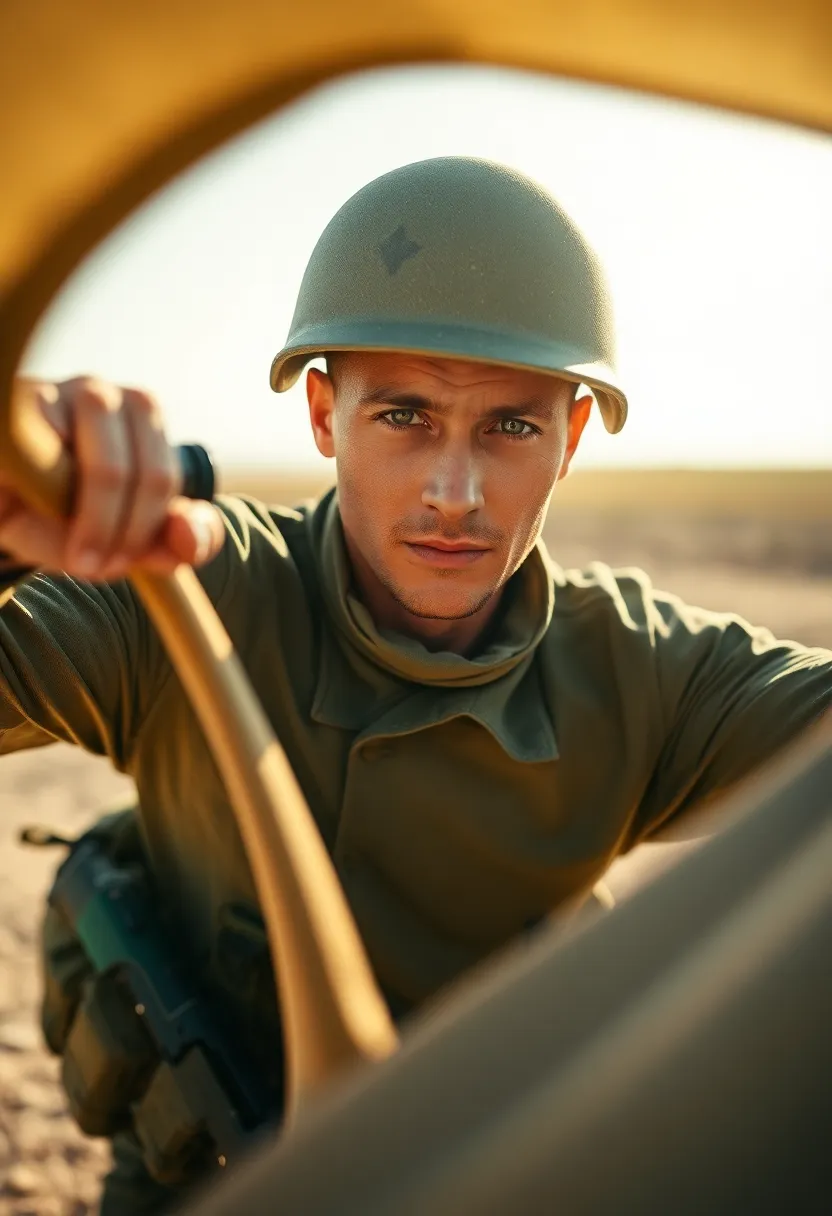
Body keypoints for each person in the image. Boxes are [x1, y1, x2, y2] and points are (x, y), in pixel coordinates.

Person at [1, 157, 830, 1213]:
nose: (455, 492)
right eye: (402, 417)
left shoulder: (645, 670)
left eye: (510, 427)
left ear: (570, 438)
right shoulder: (178, 586)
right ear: (320, 414)